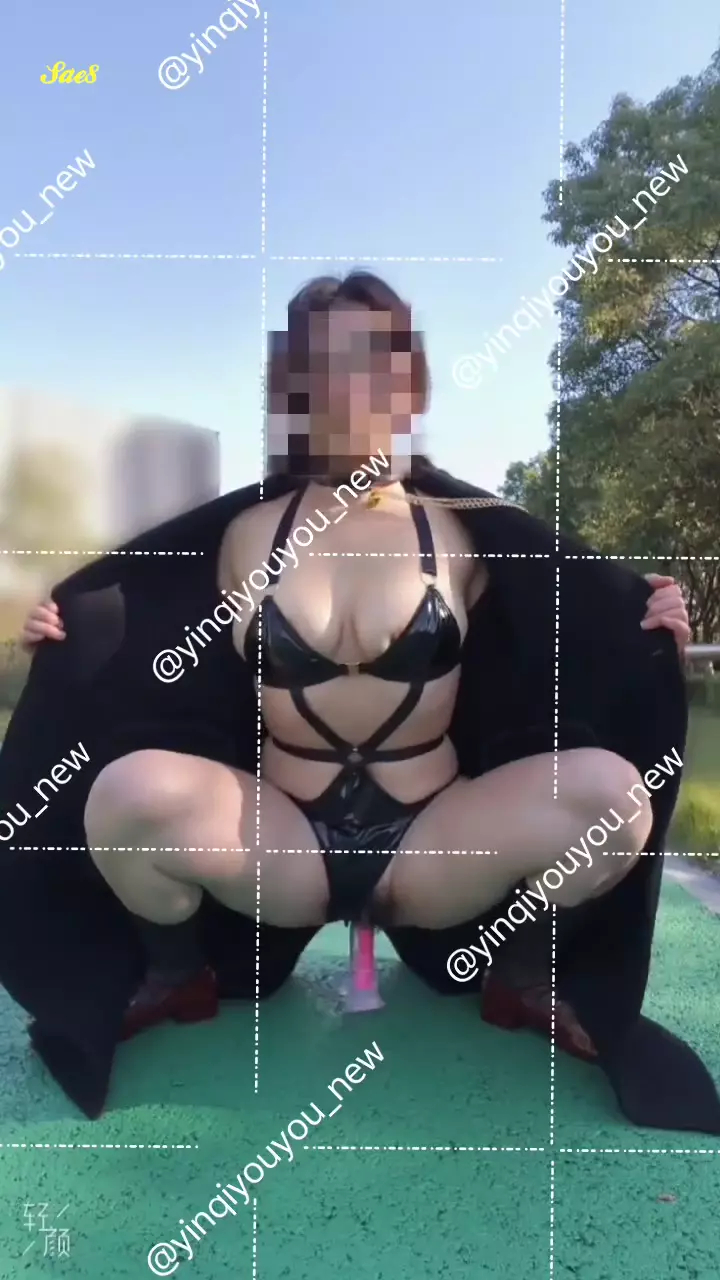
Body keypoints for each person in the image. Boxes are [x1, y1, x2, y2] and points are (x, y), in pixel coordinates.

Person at [0, 271, 716, 1135]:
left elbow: (571, 622)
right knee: (127, 794)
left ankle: (524, 974)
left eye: (377, 358)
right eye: (326, 362)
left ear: (410, 382)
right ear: (294, 387)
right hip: (281, 845)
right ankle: (176, 973)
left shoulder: (464, 531)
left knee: (610, 798)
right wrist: (69, 627)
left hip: (435, 842)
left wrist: (649, 622)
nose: (353, 383)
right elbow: (139, 629)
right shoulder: (238, 537)